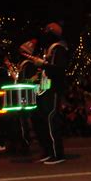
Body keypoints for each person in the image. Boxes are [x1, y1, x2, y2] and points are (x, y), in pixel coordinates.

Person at [30, 22, 69, 164]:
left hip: (53, 90)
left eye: (47, 30)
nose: (44, 32)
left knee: (50, 119)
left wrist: (43, 64)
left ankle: (57, 154)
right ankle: (47, 151)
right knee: (40, 119)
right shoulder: (49, 49)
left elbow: (59, 70)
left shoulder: (59, 49)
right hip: (45, 89)